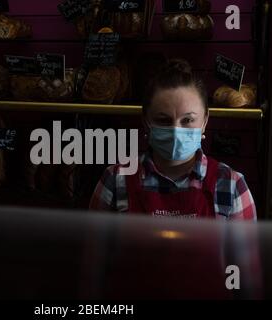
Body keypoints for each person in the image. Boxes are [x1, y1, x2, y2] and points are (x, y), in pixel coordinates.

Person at [89, 59, 256, 220]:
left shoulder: (231, 184)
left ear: (204, 121)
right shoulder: (115, 180)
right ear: (145, 121)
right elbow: (95, 248)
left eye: (188, 120)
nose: (176, 131)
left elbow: (245, 249)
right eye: (163, 120)